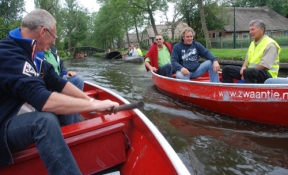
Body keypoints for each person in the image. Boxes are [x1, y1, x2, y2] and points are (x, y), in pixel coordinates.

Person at [0, 9, 119, 174]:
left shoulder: (34, 53)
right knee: (44, 121)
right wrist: (96, 106)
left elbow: (58, 82)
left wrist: (93, 102)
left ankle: (65, 136)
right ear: (43, 31)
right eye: (54, 37)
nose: (54, 42)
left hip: (25, 114)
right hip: (4, 125)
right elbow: (44, 100)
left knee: (53, 109)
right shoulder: (7, 53)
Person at [222, 19, 281, 83]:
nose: (250, 32)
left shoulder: (270, 44)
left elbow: (264, 65)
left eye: (253, 29)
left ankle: (251, 91)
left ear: (262, 30)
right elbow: (247, 60)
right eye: (249, 30)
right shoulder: (252, 44)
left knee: (249, 72)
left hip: (267, 75)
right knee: (227, 69)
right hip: (251, 72)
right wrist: (243, 68)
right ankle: (228, 91)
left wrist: (245, 72)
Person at [39, 45, 85, 125]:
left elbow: (60, 65)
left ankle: (76, 115)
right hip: (50, 82)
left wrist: (66, 72)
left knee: (78, 80)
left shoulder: (53, 50)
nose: (56, 37)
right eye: (54, 35)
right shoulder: (37, 52)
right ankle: (68, 123)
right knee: (68, 97)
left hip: (60, 77)